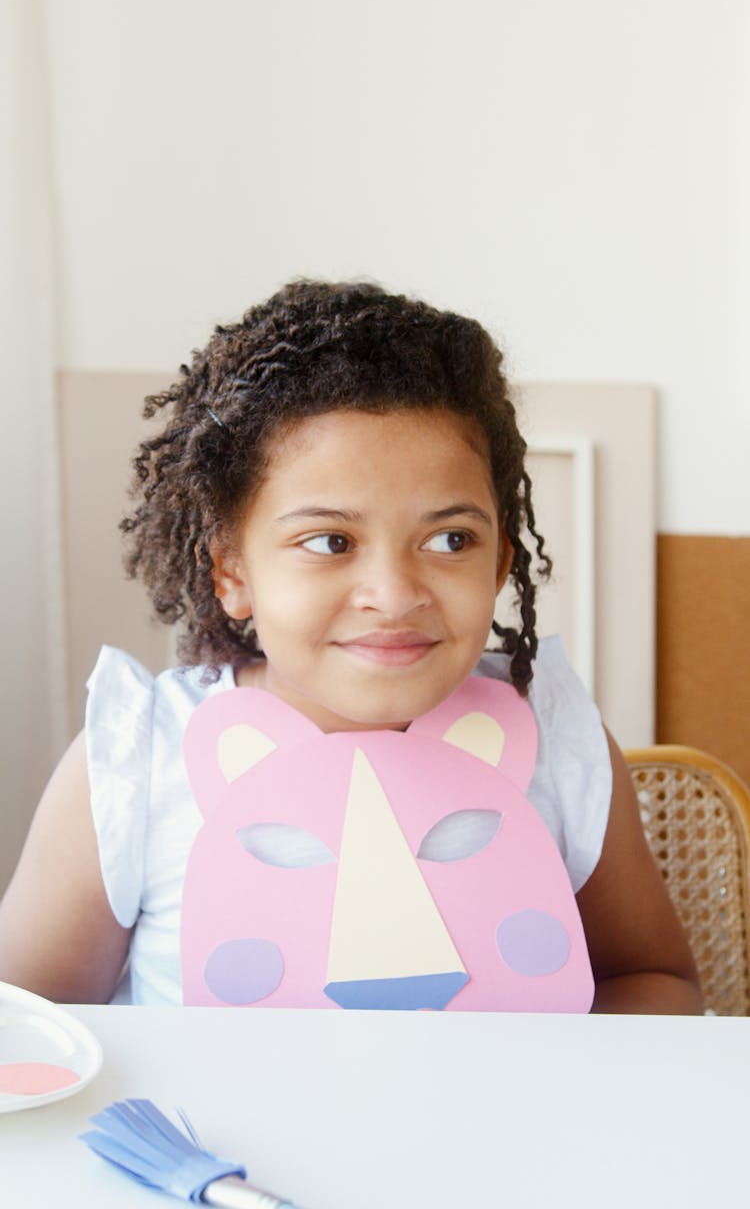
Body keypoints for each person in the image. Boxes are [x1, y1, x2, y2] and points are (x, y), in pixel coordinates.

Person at [0, 280, 701, 1012]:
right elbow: (29, 1030)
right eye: (331, 541)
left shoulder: (556, 740)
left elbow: (654, 981)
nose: (394, 593)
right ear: (231, 571)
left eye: (449, 539)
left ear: (498, 561)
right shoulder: (134, 763)